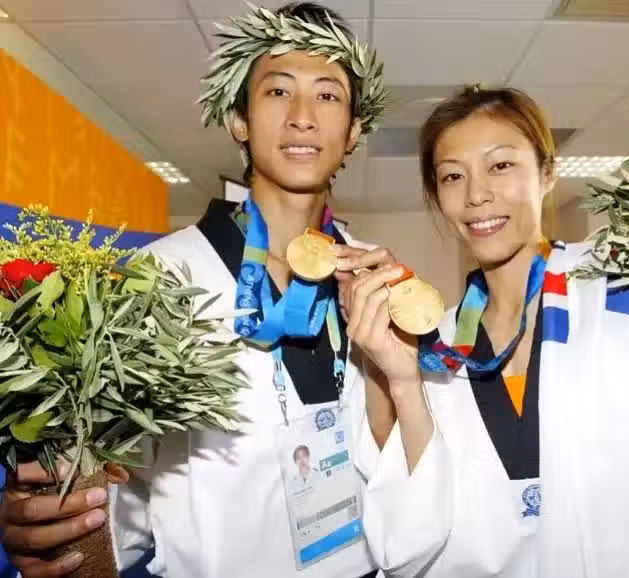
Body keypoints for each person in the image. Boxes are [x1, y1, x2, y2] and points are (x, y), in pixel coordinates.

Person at [338, 86, 629, 577]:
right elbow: (405, 544)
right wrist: (402, 381)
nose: (476, 195)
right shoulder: (438, 348)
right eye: (452, 176)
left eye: (501, 165)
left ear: (548, 172)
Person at [0, 3, 390, 577]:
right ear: (239, 118)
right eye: (278, 91)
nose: (303, 117)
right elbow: (116, 491)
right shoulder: (156, 278)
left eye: (328, 95)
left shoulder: (373, 277)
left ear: (353, 130)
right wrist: (57, 525)